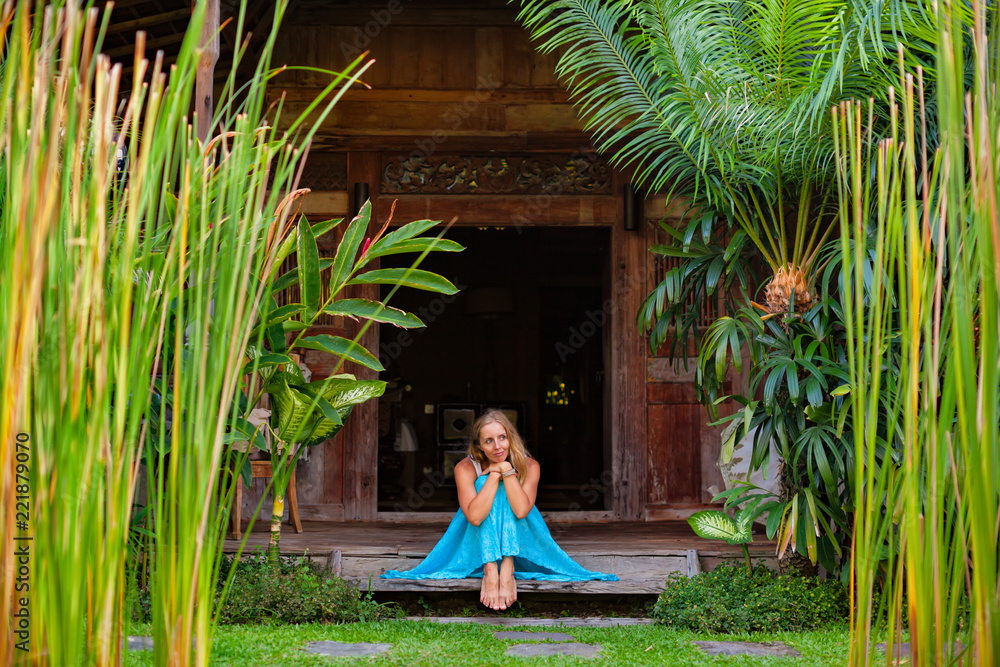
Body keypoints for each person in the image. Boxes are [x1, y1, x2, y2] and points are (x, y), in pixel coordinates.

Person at [381, 410, 617, 610]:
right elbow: (474, 516)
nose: (497, 446)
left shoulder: (531, 465)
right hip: (475, 537)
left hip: (522, 537)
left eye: (502, 438)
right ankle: (490, 568)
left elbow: (522, 510)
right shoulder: (465, 467)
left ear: (511, 438)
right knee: (486, 484)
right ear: (479, 446)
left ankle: (508, 566)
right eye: (489, 441)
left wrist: (507, 471)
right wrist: (494, 473)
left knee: (507, 489)